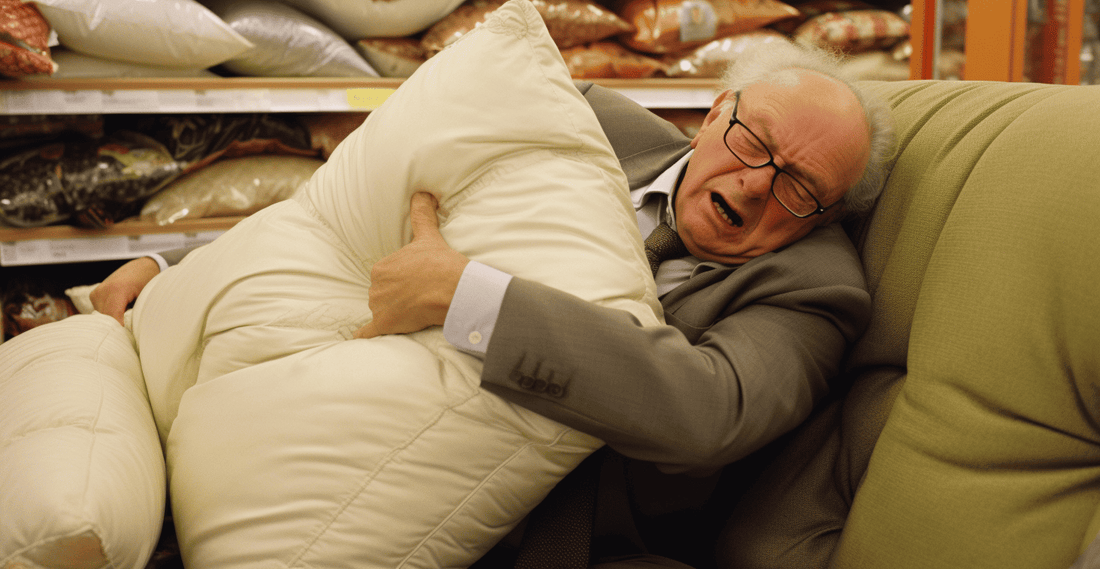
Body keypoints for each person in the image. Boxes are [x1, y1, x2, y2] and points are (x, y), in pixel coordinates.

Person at [92, 40, 896, 568]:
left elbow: (708, 412)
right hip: (321, 420)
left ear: (824, 218)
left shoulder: (816, 292)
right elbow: (353, 203)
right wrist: (174, 270)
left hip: (527, 535)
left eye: (799, 189)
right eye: (753, 142)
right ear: (714, 113)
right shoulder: (583, 121)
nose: (757, 184)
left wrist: (469, 296)